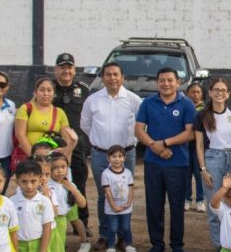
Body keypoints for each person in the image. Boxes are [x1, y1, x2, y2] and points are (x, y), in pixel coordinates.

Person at [134, 67, 197, 252]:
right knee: (154, 204)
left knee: (177, 205)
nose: (166, 83)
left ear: (178, 83)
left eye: (170, 80)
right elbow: (139, 130)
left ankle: (176, 244)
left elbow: (190, 133)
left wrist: (166, 143)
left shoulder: (186, 104)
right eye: (162, 80)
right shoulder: (148, 103)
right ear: (157, 82)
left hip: (178, 163)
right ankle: (157, 243)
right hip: (153, 162)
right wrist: (155, 146)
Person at [81, 62, 141, 233]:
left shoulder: (133, 100)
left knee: (123, 194)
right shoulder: (92, 100)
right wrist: (100, 139)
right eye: (108, 74)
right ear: (102, 78)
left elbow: (143, 126)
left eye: (116, 74)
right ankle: (105, 233)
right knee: (103, 195)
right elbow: (85, 125)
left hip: (126, 155)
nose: (112, 78)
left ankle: (123, 235)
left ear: (122, 78)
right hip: (101, 155)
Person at [52, 53, 93, 242]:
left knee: (79, 184)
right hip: (55, 148)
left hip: (77, 147)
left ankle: (81, 224)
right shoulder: (48, 88)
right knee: (52, 184)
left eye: (69, 67)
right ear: (56, 69)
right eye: (62, 67)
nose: (66, 71)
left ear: (74, 70)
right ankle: (51, 221)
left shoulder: (83, 90)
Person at [196, 77, 231, 251]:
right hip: (213, 158)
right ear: (210, 92)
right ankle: (220, 247)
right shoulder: (202, 115)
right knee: (215, 205)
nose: (220, 93)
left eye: (223, 90)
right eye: (216, 89)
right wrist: (203, 169)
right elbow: (198, 145)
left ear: (228, 94)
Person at [14, 77, 78, 163]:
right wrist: (34, 156)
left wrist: (64, 161)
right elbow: (20, 134)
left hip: (50, 160)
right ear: (35, 93)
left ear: (54, 93)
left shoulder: (59, 112)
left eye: (49, 90)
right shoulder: (26, 108)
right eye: (42, 90)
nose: (46, 93)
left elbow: (66, 139)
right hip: (29, 158)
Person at [99, 144, 136, 252]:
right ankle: (111, 249)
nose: (117, 159)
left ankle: (129, 247)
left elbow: (131, 189)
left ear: (124, 158)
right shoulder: (106, 173)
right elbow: (107, 192)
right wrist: (114, 206)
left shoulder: (128, 173)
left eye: (120, 156)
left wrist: (129, 203)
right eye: (114, 156)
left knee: (126, 228)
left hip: (126, 208)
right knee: (113, 228)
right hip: (112, 209)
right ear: (108, 158)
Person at [184, 81, 206, 211]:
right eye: (192, 92)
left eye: (198, 92)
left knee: (199, 174)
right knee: (186, 173)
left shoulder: (206, 108)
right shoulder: (184, 107)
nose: (195, 95)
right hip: (185, 145)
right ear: (187, 94)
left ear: (202, 94)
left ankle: (200, 200)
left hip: (200, 145)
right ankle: (186, 199)